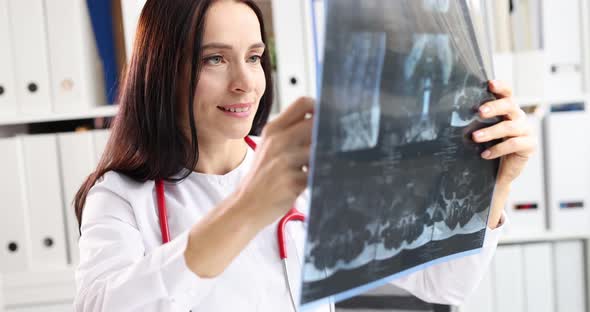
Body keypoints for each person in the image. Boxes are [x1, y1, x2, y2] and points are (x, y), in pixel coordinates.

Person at [73, 0, 535, 311]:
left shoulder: (303, 166)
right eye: (214, 58)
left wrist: (493, 185)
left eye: (254, 57)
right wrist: (250, 207)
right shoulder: (118, 197)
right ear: (163, 70)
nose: (245, 82)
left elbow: (442, 283)